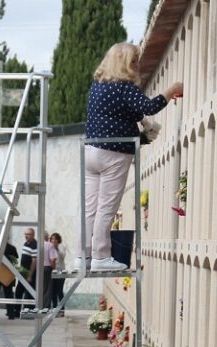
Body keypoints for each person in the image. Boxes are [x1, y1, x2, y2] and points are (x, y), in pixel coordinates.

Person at [81, 42, 182, 271]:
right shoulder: (124, 87)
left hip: (90, 152)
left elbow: (133, 112)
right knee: (106, 208)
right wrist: (171, 89)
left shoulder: (98, 86)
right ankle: (100, 257)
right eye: (134, 61)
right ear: (124, 63)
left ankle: (84, 256)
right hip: (113, 154)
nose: (138, 65)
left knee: (90, 208)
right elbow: (149, 107)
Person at [14, 228, 39, 316]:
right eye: (25, 234)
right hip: (22, 272)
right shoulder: (26, 243)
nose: (26, 236)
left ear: (33, 235)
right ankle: (17, 311)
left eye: (28, 234)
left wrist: (30, 275)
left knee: (29, 292)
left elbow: (34, 261)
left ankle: (29, 312)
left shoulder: (34, 245)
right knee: (18, 291)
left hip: (29, 273)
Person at [49, 233, 67, 315]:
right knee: (53, 291)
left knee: (59, 291)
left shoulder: (61, 246)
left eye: (55, 239)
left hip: (60, 271)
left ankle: (62, 309)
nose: (53, 240)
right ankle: (55, 309)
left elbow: (62, 256)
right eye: (52, 239)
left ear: (58, 240)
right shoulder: (50, 247)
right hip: (52, 271)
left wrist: (56, 248)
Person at [40, 233, 57, 309]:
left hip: (39, 268)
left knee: (41, 287)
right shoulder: (50, 245)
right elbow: (52, 258)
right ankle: (46, 306)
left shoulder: (38, 244)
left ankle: (39, 305)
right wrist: (53, 268)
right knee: (48, 289)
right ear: (47, 238)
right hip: (47, 268)